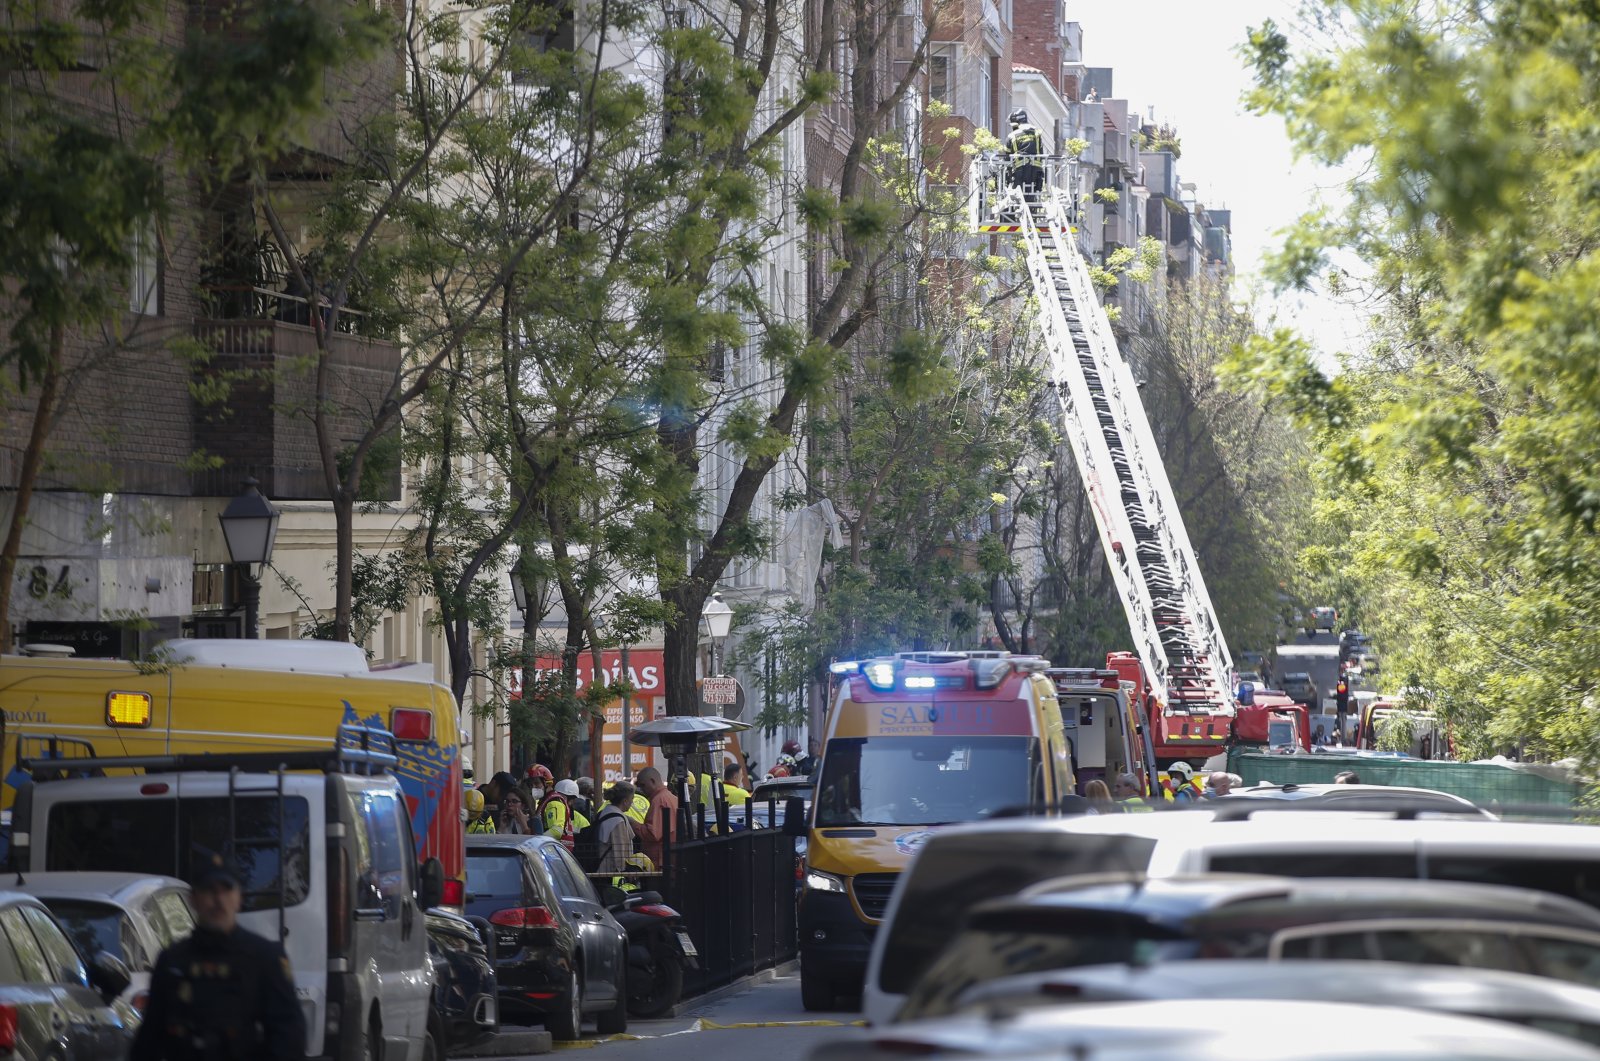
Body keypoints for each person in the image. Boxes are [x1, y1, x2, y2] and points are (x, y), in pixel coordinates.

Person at [132, 849, 305, 1061]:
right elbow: (149, 1039)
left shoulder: (264, 959)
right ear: (193, 899)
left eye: (226, 889)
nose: (218, 900)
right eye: (209, 890)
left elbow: (289, 1037)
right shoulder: (172, 961)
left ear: (238, 898)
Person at [632, 767, 679, 866]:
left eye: (643, 785)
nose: (641, 789)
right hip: (670, 859)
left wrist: (632, 823)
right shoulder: (672, 798)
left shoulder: (659, 800)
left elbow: (652, 834)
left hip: (659, 862)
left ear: (652, 781)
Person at [596, 782, 639, 882]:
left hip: (602, 870)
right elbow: (620, 852)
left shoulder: (606, 812)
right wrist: (626, 874)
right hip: (609, 874)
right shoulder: (617, 820)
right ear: (625, 801)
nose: (632, 802)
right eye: (632, 799)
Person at [1002, 108, 1045, 202]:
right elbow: (1040, 152)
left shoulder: (1012, 136)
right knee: (1031, 197)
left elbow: (1006, 157)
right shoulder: (1037, 133)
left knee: (1018, 198)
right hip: (1036, 171)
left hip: (1019, 171)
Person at [540, 778, 589, 850]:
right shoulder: (565, 809)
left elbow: (556, 831)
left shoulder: (556, 804)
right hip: (563, 852)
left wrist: (536, 841)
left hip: (555, 851)